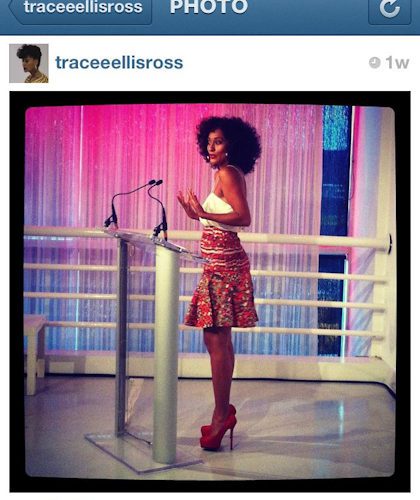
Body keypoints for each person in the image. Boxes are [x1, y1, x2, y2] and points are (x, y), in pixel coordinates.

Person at [177, 116, 261, 451]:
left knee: (216, 339)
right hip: (217, 264)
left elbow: (243, 217)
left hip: (224, 267)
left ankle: (221, 415)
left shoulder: (228, 173)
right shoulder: (223, 173)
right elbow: (221, 220)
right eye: (209, 142)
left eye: (219, 141)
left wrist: (203, 214)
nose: (211, 148)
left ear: (232, 146)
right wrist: (195, 214)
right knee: (218, 340)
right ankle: (222, 412)